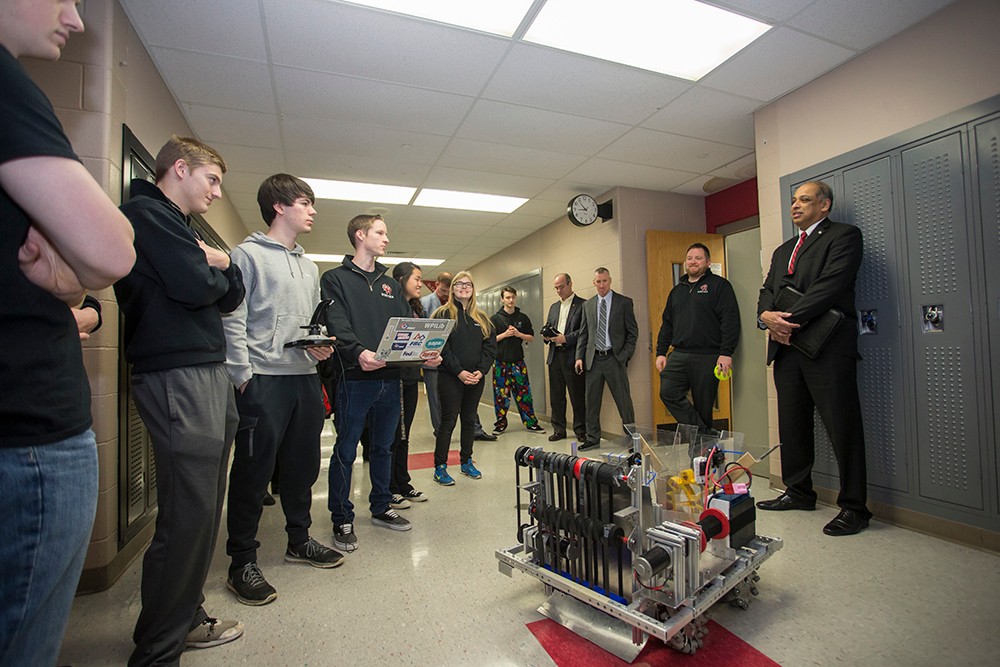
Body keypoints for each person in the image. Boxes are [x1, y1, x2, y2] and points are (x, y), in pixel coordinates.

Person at [0, 3, 136, 664]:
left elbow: (88, 282)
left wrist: (75, 294)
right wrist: (74, 282)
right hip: (27, 437)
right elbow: (112, 250)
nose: (77, 19)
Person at [115, 136, 245, 664]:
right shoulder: (145, 214)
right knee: (186, 514)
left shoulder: (182, 227)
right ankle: (158, 649)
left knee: (202, 508)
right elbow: (196, 287)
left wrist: (222, 264)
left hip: (206, 370)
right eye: (211, 179)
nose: (216, 191)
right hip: (177, 374)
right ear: (179, 168)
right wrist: (214, 267)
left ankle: (186, 618)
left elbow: (231, 294)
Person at [222, 174, 342, 608]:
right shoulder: (247, 255)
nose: (312, 211)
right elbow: (232, 317)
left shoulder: (309, 266)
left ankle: (299, 539)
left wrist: (318, 347)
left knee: (302, 466)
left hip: (303, 379)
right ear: (279, 206)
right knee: (253, 472)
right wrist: (243, 375)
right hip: (263, 379)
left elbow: (307, 322)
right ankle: (241, 561)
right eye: (305, 203)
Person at [756, 180, 871, 537]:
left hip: (827, 348)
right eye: (793, 200)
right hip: (786, 348)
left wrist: (786, 320)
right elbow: (767, 291)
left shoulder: (844, 236)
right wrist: (765, 317)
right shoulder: (784, 249)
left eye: (804, 200)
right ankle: (799, 491)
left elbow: (830, 286)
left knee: (842, 425)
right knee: (792, 423)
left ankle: (854, 507)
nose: (795, 205)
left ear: (825, 205)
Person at [322, 214, 441, 552]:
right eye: (380, 233)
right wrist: (358, 351)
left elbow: (404, 330)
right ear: (360, 235)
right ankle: (341, 516)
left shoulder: (390, 285)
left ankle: (380, 506)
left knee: (383, 447)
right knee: (346, 449)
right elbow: (337, 323)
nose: (386, 239)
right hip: (355, 378)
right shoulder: (335, 278)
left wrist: (424, 356)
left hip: (390, 378)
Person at [654, 243, 741, 433]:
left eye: (698, 258)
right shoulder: (677, 291)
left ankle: (701, 456)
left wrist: (726, 353)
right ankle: (705, 433)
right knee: (667, 392)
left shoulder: (720, 286)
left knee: (704, 406)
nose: (693, 262)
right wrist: (661, 352)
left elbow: (730, 321)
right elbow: (667, 324)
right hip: (679, 354)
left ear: (708, 262)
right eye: (690, 258)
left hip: (708, 355)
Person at [431, 271, 497, 485]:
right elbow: (443, 347)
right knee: (448, 421)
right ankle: (440, 467)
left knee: (469, 420)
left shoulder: (482, 318)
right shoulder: (443, 314)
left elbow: (490, 348)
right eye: (459, 284)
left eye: (468, 284)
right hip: (450, 376)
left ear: (473, 288)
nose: (463, 287)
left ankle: (466, 461)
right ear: (452, 289)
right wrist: (459, 371)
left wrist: (481, 371)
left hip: (475, 377)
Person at [575, 268, 638, 451]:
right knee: (591, 402)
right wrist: (579, 357)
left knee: (624, 401)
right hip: (593, 360)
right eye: (598, 282)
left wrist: (624, 355)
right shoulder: (588, 305)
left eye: (604, 281)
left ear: (610, 281)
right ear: (594, 283)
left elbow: (633, 333)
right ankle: (593, 438)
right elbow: (583, 334)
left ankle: (632, 439)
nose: (601, 285)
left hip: (614, 358)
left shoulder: (624, 303)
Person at [389, 262, 430, 506]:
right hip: (394, 376)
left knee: (405, 433)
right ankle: (390, 486)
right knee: (393, 434)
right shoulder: (390, 305)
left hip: (411, 375)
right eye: (416, 278)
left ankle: (403, 482)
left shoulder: (417, 308)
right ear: (401, 279)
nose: (420, 283)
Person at [490, 286, 543, 435]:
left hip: (518, 363)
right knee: (501, 395)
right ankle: (500, 423)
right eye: (507, 297)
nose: (510, 300)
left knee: (524, 393)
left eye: (513, 297)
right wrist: (505, 334)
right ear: (502, 299)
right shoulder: (495, 319)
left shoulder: (522, 317)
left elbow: (531, 337)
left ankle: (531, 423)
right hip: (501, 363)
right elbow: (490, 340)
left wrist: (519, 334)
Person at [542, 273, 587, 443]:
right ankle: (559, 429)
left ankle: (581, 430)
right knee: (556, 396)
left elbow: (584, 332)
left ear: (570, 284)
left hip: (573, 356)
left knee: (577, 395)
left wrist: (566, 338)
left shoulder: (582, 305)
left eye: (561, 287)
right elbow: (549, 326)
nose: (559, 290)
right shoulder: (554, 307)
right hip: (555, 356)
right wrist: (547, 336)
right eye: (556, 288)